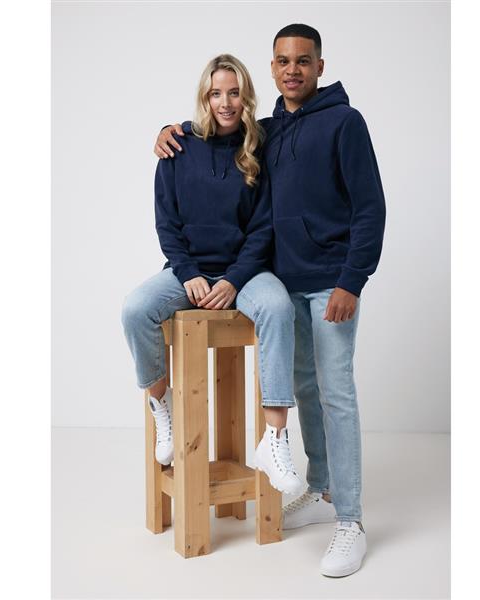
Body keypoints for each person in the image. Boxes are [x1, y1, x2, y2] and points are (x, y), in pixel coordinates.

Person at [154, 25, 386, 578]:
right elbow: (217, 131)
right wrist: (170, 131)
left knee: (336, 393)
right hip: (283, 280)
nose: (292, 70)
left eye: (303, 61)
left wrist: (352, 281)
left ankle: (351, 521)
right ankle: (322, 488)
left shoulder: (345, 123)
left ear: (320, 66)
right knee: (304, 387)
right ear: (273, 68)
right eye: (283, 61)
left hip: (330, 283)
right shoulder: (267, 130)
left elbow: (370, 207)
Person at [121, 54, 304, 497]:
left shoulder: (259, 147)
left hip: (245, 272)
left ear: (246, 97)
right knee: (136, 309)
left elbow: (263, 227)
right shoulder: (177, 147)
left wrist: (234, 280)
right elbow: (167, 223)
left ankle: (274, 439)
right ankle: (160, 402)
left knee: (279, 307)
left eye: (234, 93)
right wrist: (188, 273)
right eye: (216, 93)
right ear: (204, 97)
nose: (225, 102)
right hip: (189, 272)